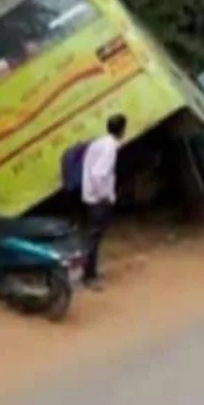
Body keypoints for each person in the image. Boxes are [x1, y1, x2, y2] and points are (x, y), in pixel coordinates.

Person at [81, 113, 126, 290]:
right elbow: (99, 174)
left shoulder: (100, 142)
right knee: (94, 237)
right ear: (122, 130)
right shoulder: (109, 149)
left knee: (92, 235)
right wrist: (106, 196)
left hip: (89, 195)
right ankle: (89, 276)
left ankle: (87, 271)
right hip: (98, 199)